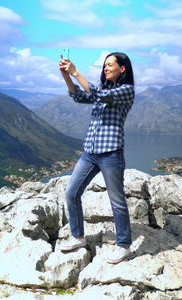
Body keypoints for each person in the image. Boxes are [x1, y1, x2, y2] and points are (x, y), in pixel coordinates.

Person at [58, 52, 135, 264]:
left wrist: (76, 72)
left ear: (123, 69)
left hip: (111, 153)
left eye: (110, 65)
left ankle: (124, 245)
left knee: (117, 201)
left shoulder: (126, 91)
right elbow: (79, 96)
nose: (106, 68)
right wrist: (67, 75)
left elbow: (96, 93)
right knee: (71, 192)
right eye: (104, 65)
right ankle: (78, 236)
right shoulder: (104, 90)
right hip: (90, 152)